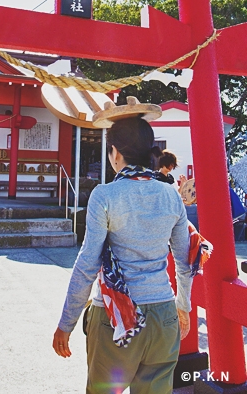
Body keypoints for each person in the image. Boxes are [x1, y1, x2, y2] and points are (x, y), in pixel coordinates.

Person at [53, 103, 192, 394]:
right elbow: (184, 260)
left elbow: (87, 263)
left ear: (115, 152)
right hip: (163, 314)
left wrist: (67, 321)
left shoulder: (104, 195)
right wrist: (183, 307)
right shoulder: (171, 195)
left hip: (116, 318)